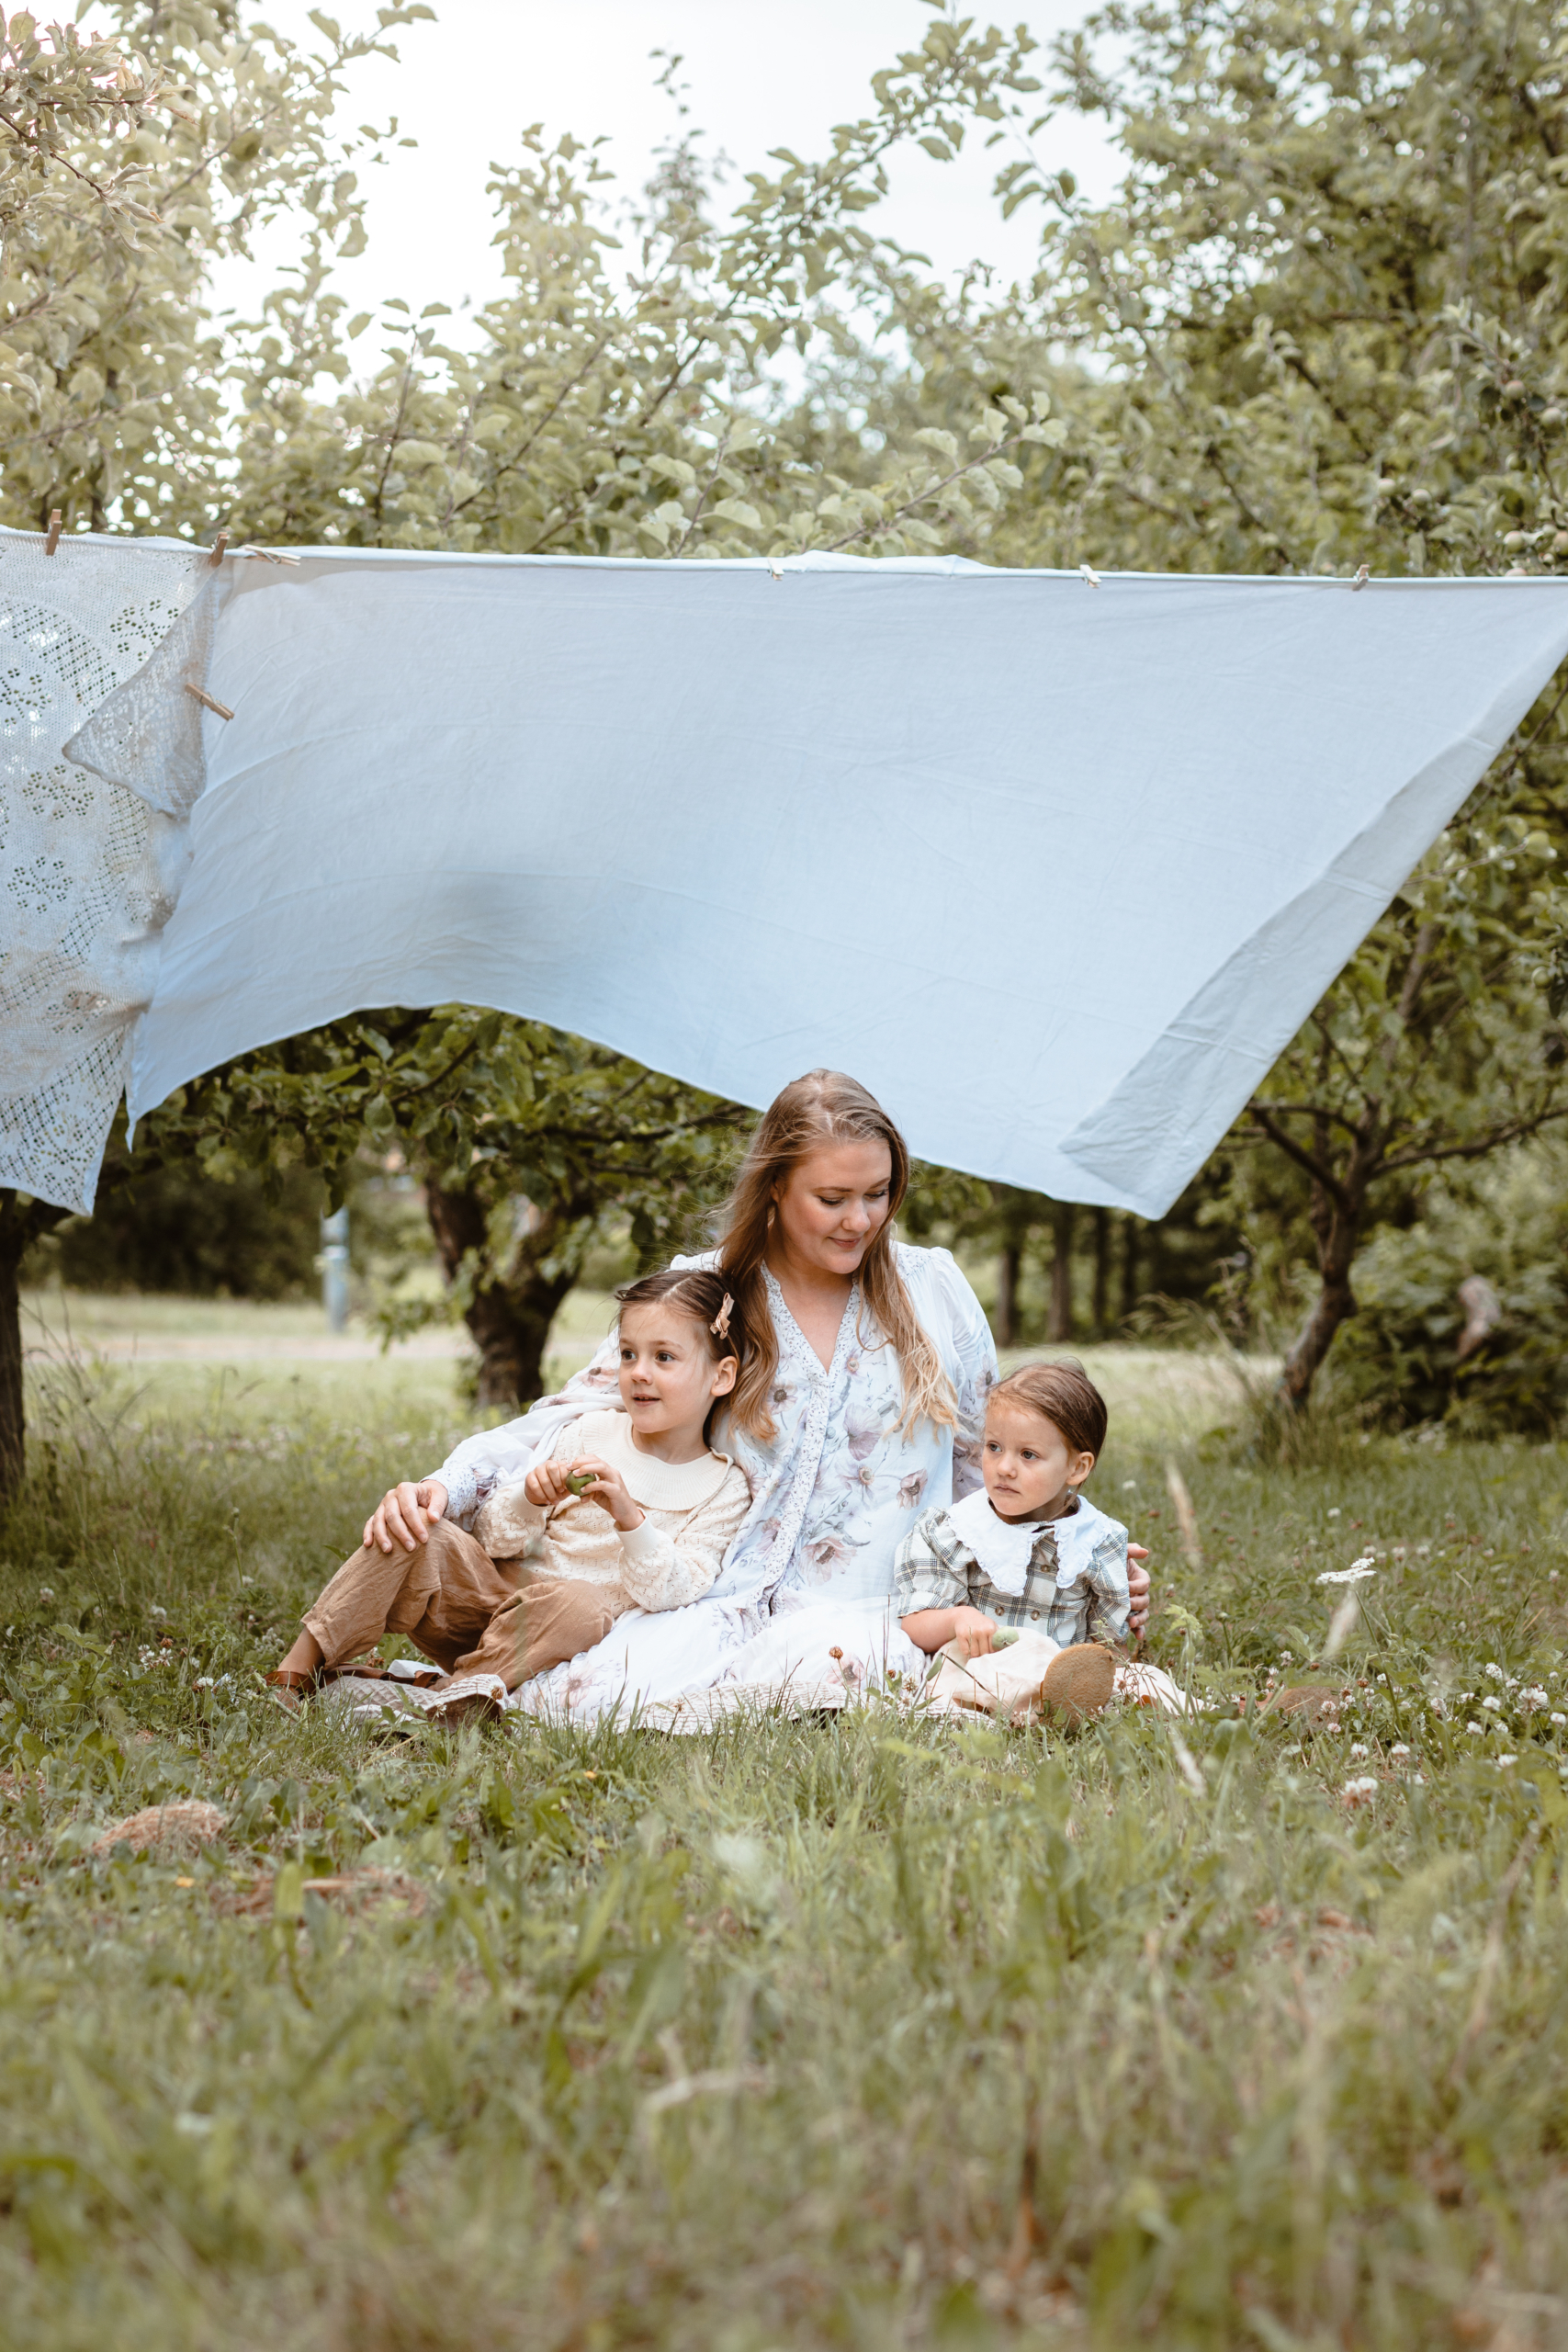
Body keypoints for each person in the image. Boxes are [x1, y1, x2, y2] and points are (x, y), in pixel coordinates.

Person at [354, 1069, 1152, 1724]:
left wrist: (1072, 1547)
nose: (860, 1220)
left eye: (877, 1194)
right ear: (773, 1188)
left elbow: (990, 1464)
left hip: (883, 1611)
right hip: (716, 1604)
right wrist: (445, 1486)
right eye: (831, 1199)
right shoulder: (707, 1294)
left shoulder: (932, 1289)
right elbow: (573, 1417)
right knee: (584, 1703)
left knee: (914, 1681)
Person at [267, 1267, 751, 1716]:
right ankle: (295, 1670)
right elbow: (492, 1538)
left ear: (721, 1376)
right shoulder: (589, 1431)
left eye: (663, 1357)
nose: (639, 1372)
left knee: (581, 1604)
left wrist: (630, 1519)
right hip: (488, 1599)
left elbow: (677, 1589)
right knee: (420, 1528)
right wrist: (529, 1498)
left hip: (553, 1634)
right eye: (629, 1354)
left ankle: (447, 1694)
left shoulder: (723, 1486)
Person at [895, 1357, 1130, 1726]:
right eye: (993, 1447)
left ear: (1077, 1467)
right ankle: (1037, 1712)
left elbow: (1109, 1646)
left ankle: (1225, 1706)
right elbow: (913, 1623)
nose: (1004, 1467)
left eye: (1028, 1454)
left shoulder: (1097, 1541)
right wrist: (958, 1617)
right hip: (980, 1672)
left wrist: (1111, 1671)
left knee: (1146, 1683)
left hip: (1062, 1676)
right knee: (963, 1683)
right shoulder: (958, 1531)